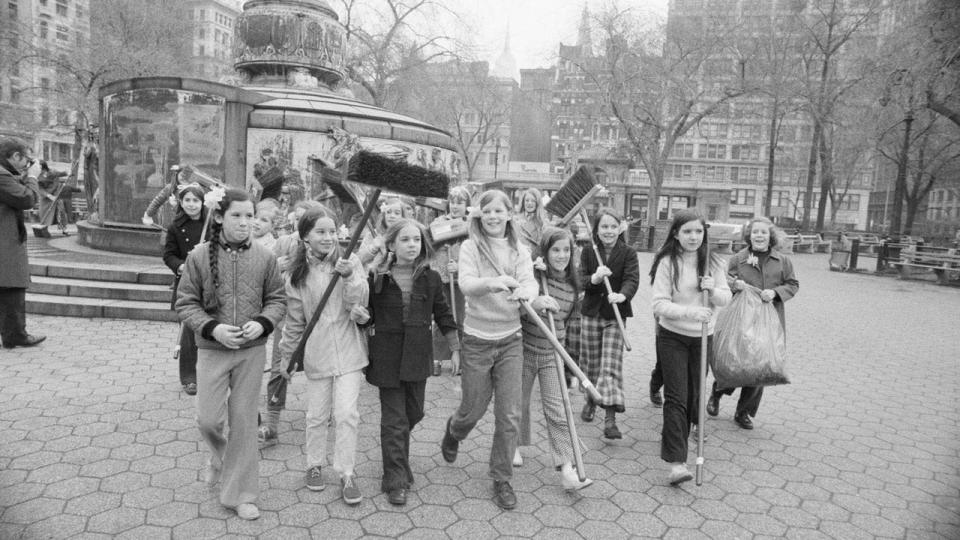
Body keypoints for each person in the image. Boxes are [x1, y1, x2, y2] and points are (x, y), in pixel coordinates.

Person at [175, 188, 286, 520]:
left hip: (251, 353)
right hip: (211, 349)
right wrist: (212, 328)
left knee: (243, 422)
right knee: (208, 420)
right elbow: (185, 303)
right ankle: (220, 457)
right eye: (237, 215)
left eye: (250, 215)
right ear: (220, 217)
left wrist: (263, 323)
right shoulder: (198, 257)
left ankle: (240, 494)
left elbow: (278, 299)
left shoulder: (266, 258)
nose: (245, 222)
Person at [439, 189, 538, 510]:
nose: (494, 217)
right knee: (472, 409)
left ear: (510, 214)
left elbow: (531, 283)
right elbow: (466, 284)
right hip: (478, 341)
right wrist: (495, 282)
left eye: (500, 211)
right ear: (479, 215)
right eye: (488, 212)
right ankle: (454, 431)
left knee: (510, 414)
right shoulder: (470, 246)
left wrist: (525, 290)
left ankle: (501, 478)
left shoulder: (519, 250)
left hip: (511, 339)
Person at [364, 219, 460, 506]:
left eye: (416, 240)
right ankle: (394, 478)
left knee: (413, 414)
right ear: (391, 244)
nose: (411, 245)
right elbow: (367, 314)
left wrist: (455, 349)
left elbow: (443, 314)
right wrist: (361, 316)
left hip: (418, 356)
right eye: (404, 240)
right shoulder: (376, 277)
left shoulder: (429, 277)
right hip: (385, 357)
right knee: (394, 421)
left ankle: (399, 461)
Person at [278, 206, 369, 505]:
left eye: (332, 231)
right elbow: (294, 323)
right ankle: (314, 464)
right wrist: (287, 358)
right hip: (317, 353)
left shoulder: (350, 260)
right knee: (316, 415)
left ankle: (346, 472)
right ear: (305, 236)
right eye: (320, 231)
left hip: (349, 351)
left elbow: (359, 304)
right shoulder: (296, 274)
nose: (328, 237)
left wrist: (350, 276)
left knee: (346, 415)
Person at [650, 209, 731, 485]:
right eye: (687, 231)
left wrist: (714, 289)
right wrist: (689, 312)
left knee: (695, 396)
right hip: (672, 336)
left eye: (698, 231)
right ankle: (676, 463)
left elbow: (725, 297)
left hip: (703, 337)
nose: (693, 237)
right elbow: (658, 304)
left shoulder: (713, 262)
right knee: (676, 397)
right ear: (676, 233)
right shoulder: (667, 263)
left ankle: (685, 441)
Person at [516, 227, 593, 491]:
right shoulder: (534, 276)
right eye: (555, 250)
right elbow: (519, 309)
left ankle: (568, 469)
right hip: (525, 349)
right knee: (517, 403)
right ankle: (512, 444)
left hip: (553, 354)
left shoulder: (574, 285)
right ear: (545, 252)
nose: (561, 255)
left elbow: (571, 323)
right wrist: (535, 301)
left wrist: (572, 366)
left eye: (566, 250)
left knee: (558, 411)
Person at [706, 216, 798, 430]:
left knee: (760, 364)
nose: (759, 235)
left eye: (763, 232)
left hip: (769, 319)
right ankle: (717, 392)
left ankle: (744, 411)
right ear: (749, 235)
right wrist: (734, 284)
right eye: (755, 232)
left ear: (770, 236)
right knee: (734, 359)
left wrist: (775, 292)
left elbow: (792, 284)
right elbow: (724, 280)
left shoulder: (783, 261)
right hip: (740, 318)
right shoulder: (738, 258)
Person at [258, 200, 325, 447]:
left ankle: (323, 411)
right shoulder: (285, 242)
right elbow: (264, 272)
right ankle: (272, 424)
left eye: (305, 216)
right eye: (296, 217)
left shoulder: (327, 242)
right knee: (280, 365)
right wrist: (278, 266)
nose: (300, 221)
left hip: (320, 317)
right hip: (288, 315)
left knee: (321, 366)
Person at [578, 208, 640, 440]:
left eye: (613, 226)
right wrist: (594, 278)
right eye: (604, 227)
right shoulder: (587, 251)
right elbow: (581, 278)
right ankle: (591, 400)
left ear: (620, 228)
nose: (608, 231)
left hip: (615, 316)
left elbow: (632, 278)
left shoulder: (628, 253)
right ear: (596, 229)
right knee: (591, 363)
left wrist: (623, 295)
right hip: (591, 314)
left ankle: (610, 419)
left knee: (610, 365)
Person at [162, 183, 208, 395]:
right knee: (188, 332)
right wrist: (181, 265)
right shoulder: (175, 227)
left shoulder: (212, 224)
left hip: (209, 284)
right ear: (181, 202)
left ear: (203, 202)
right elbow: (168, 254)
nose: (191, 204)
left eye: (195, 200)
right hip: (186, 284)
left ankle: (211, 373)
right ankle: (190, 377)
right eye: (187, 200)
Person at [0, 139, 46, 349]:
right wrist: (33, 176)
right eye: (26, 159)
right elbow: (27, 199)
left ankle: (13, 334)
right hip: (5, 241)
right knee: (13, 285)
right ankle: (16, 335)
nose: (28, 164)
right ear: (15, 156)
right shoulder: (2, 175)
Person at [429, 185, 470, 373]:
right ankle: (437, 359)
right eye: (452, 202)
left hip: (460, 280)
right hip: (441, 278)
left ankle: (458, 358)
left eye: (460, 203)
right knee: (440, 319)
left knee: (459, 319)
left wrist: (460, 268)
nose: (455, 206)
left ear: (466, 205)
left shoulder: (470, 225)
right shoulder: (439, 222)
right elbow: (432, 243)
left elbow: (474, 252)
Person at [514, 187, 547, 260]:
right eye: (527, 200)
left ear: (537, 203)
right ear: (523, 202)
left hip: (535, 261)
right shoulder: (515, 220)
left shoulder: (543, 223)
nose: (529, 203)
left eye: (533, 201)